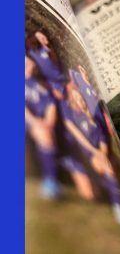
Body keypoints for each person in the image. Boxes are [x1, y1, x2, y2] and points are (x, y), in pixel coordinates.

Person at [60, 83, 120, 226]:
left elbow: (103, 141)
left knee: (108, 167)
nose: (80, 101)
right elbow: (80, 139)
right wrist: (96, 153)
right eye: (76, 99)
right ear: (72, 102)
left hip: (96, 157)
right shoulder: (72, 120)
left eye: (81, 98)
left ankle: (119, 208)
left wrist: (102, 154)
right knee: (89, 196)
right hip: (82, 157)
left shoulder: (94, 119)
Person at [25, 55, 61, 199]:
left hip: (39, 122)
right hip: (27, 119)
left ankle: (51, 183)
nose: (27, 63)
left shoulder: (39, 84)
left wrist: (49, 123)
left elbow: (51, 104)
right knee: (41, 131)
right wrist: (34, 121)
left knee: (45, 134)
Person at [26, 30, 65, 99]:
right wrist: (52, 89)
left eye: (43, 35)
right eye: (39, 37)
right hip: (54, 90)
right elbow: (36, 75)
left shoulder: (50, 50)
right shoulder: (33, 55)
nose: (43, 36)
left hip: (63, 84)